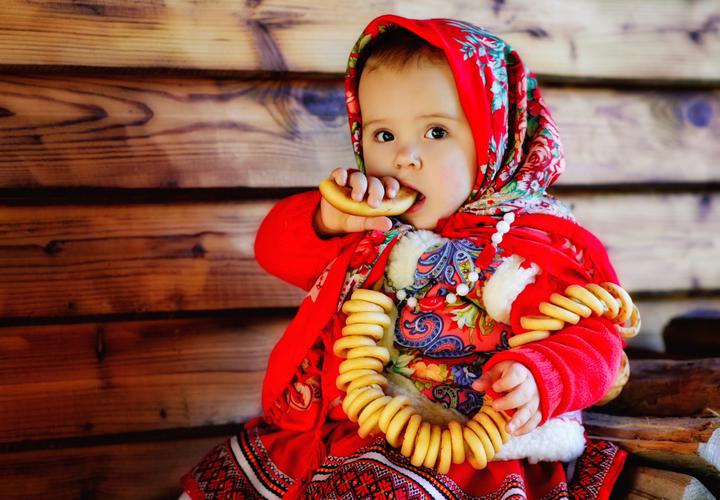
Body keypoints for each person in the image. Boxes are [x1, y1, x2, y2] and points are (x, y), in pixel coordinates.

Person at [180, 14, 631, 499]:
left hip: (465, 449)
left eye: (435, 132)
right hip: (347, 429)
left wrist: (542, 378)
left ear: (496, 140)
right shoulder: (374, 229)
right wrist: (329, 220)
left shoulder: (526, 247)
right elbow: (274, 252)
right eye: (383, 135)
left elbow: (595, 339)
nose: (404, 157)